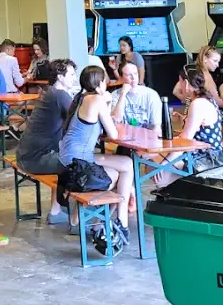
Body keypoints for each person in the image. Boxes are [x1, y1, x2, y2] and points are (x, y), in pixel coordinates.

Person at [59, 67, 134, 249]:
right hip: (78, 163)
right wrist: (113, 98)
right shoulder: (97, 100)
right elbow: (114, 134)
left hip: (70, 157)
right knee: (120, 174)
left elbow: (110, 118)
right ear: (100, 83)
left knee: (126, 164)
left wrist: (108, 101)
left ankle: (105, 220)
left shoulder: (82, 98)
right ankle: (119, 222)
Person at [15, 59, 77, 225]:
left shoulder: (51, 92)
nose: (74, 78)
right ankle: (72, 216)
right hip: (34, 159)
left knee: (66, 157)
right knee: (78, 163)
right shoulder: (59, 95)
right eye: (71, 74)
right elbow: (80, 120)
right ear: (60, 77)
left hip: (26, 154)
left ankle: (58, 208)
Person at [154, 66, 223, 186]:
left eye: (180, 81)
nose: (178, 85)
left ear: (186, 83)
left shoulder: (198, 103)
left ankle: (175, 193)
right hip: (208, 155)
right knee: (156, 160)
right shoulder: (204, 99)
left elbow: (186, 141)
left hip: (206, 159)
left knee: (154, 164)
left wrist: (164, 164)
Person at [112, 60, 161, 132]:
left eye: (135, 73)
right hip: (124, 140)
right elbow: (116, 120)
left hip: (147, 139)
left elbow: (156, 126)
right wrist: (122, 95)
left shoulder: (151, 95)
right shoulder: (115, 95)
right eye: (128, 75)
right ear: (121, 78)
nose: (133, 77)